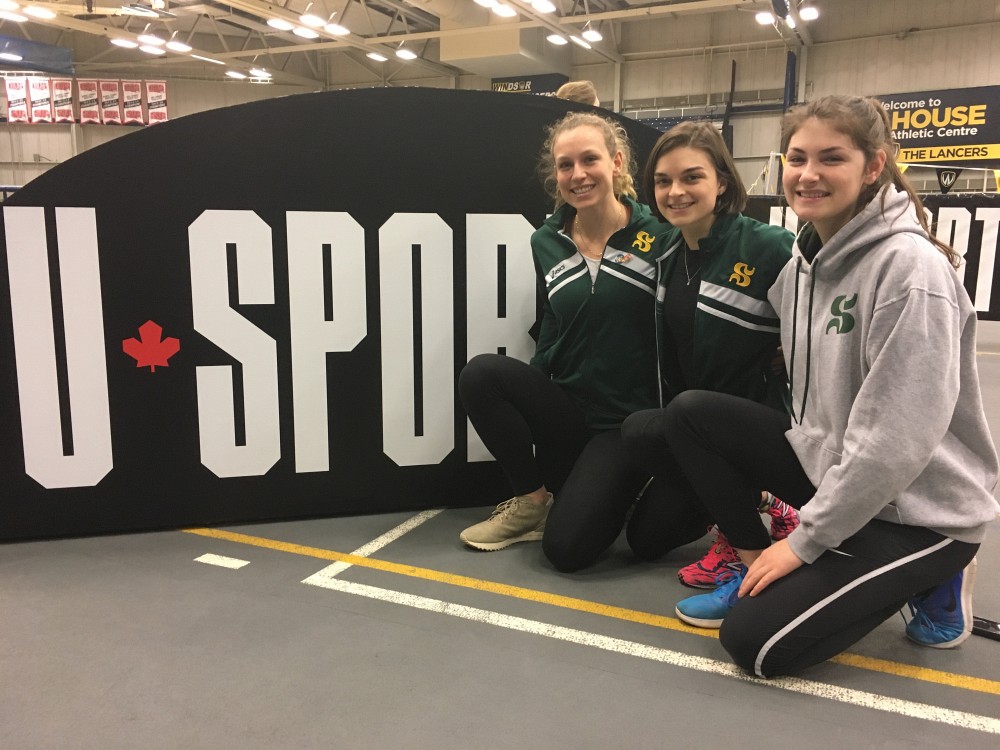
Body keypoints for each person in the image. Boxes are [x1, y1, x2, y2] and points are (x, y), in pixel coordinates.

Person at [661, 95, 999, 678]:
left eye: (831, 158)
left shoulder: (909, 272)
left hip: (917, 507)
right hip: (839, 473)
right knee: (692, 414)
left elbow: (894, 440)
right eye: (797, 158)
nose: (808, 174)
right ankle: (749, 559)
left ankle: (936, 570)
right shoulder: (801, 265)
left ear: (873, 166)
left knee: (754, 643)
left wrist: (803, 542)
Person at [459, 111, 672, 568]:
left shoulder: (662, 238)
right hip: (568, 413)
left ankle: (625, 489)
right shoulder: (546, 241)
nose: (577, 175)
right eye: (565, 165)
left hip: (625, 424)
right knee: (481, 374)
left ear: (616, 163)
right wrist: (534, 401)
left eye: (589, 160)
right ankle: (532, 503)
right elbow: (553, 322)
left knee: (567, 551)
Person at [620, 121, 797, 586]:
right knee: (645, 532)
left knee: (687, 410)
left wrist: (788, 354)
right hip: (697, 435)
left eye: (691, 177)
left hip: (763, 432)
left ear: (722, 181)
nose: (675, 191)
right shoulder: (665, 252)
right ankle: (758, 503)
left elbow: (823, 327)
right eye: (663, 181)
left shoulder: (770, 247)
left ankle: (748, 552)